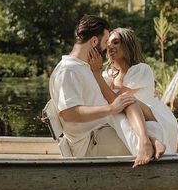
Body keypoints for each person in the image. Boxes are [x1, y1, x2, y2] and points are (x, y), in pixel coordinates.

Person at [49, 15, 164, 166]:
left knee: (128, 101)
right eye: (105, 42)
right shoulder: (68, 70)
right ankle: (148, 143)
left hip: (101, 131)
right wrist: (111, 108)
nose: (106, 48)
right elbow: (69, 114)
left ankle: (147, 141)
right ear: (94, 41)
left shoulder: (84, 68)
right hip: (89, 143)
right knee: (153, 127)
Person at [87, 27, 178, 159]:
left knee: (125, 100)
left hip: (152, 114)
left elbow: (116, 101)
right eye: (108, 44)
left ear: (128, 44)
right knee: (116, 111)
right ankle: (152, 141)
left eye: (116, 42)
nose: (110, 46)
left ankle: (146, 144)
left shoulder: (141, 69)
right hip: (130, 114)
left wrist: (95, 73)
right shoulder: (107, 75)